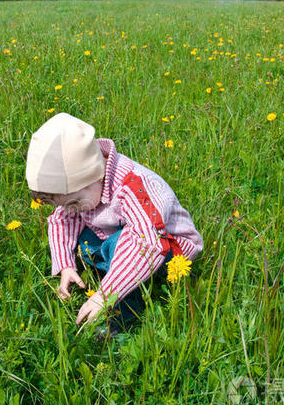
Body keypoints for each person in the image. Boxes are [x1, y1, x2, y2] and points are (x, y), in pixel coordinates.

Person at [25, 112, 203, 338]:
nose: (73, 209)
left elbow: (146, 244)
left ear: (95, 174)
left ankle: (121, 316)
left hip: (167, 248)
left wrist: (104, 295)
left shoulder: (132, 187)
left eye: (76, 202)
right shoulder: (83, 191)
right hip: (119, 237)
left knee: (123, 246)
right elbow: (63, 217)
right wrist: (66, 265)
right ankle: (114, 273)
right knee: (87, 242)